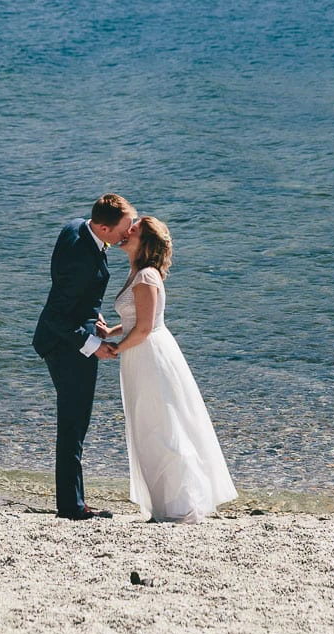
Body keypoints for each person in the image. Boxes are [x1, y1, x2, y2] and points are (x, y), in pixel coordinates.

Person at [105, 215, 237, 522]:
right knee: (150, 426)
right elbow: (133, 320)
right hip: (141, 354)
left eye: (133, 231)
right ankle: (165, 503)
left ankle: (181, 505)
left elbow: (144, 328)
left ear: (145, 241)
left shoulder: (146, 277)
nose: (125, 234)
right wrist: (109, 332)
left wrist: (115, 349)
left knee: (163, 427)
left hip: (149, 354)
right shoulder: (137, 273)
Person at [32, 193, 134, 520]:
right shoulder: (82, 258)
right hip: (68, 347)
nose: (128, 234)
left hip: (73, 334)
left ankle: (72, 501)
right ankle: (72, 507)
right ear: (103, 228)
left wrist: (94, 317)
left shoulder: (75, 226)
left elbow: (72, 295)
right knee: (74, 426)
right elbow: (55, 316)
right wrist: (93, 345)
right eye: (124, 228)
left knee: (74, 425)